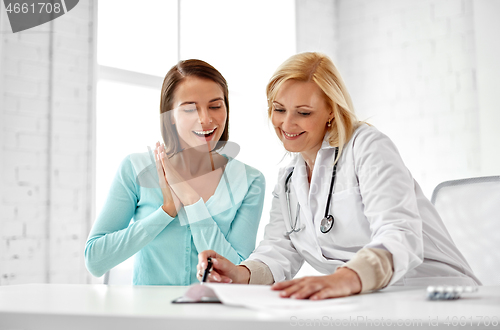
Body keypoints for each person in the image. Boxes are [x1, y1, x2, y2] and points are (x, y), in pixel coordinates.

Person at [196, 52, 480, 299]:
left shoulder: (367, 147)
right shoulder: (288, 178)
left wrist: (344, 278)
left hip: (433, 292)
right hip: (369, 299)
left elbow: (399, 234)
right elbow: (279, 248)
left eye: (304, 113)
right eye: (279, 110)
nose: (287, 123)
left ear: (331, 111)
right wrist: (240, 273)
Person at [85, 59, 265, 285]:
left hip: (216, 315)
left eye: (215, 106)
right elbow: (95, 260)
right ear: (169, 115)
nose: (205, 119)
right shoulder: (135, 169)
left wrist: (191, 201)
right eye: (190, 108)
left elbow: (236, 272)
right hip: (150, 316)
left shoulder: (250, 181)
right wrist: (166, 212)